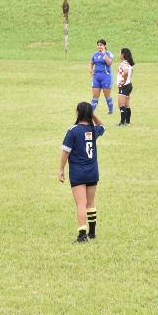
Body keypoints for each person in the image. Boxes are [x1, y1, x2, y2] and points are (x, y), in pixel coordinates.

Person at [59, 102, 106, 243]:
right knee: (90, 202)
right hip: (92, 172)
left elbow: (65, 152)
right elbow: (103, 127)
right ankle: (92, 233)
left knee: (81, 204)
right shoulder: (93, 129)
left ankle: (82, 235)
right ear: (90, 114)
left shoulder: (73, 130)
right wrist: (94, 116)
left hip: (78, 173)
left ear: (78, 113)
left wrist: (61, 169)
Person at [89, 39, 114, 114]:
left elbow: (109, 63)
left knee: (107, 95)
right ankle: (91, 112)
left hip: (106, 77)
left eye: (101, 45)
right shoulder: (95, 54)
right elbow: (91, 62)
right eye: (98, 45)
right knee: (95, 95)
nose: (99, 46)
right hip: (96, 77)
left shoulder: (109, 53)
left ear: (105, 46)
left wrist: (104, 54)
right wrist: (90, 70)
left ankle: (110, 111)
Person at [116, 48, 135, 126]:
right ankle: (127, 122)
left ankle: (122, 122)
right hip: (128, 85)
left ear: (122, 54)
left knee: (121, 104)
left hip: (124, 86)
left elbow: (126, 72)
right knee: (127, 104)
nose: (119, 55)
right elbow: (131, 72)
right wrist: (128, 80)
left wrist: (124, 81)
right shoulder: (129, 63)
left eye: (119, 53)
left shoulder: (124, 63)